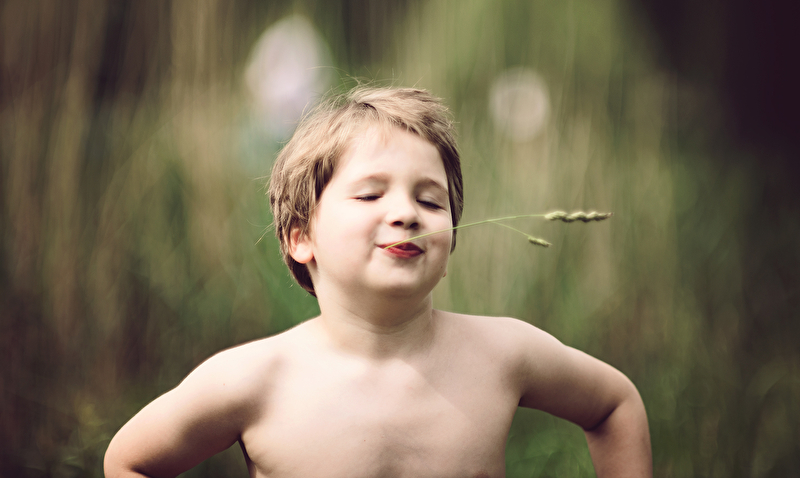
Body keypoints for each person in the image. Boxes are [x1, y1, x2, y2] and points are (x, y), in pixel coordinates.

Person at [104, 86, 652, 478]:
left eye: (430, 200)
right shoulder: (256, 380)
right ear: (301, 237)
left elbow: (615, 404)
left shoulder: (503, 354)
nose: (406, 213)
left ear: (450, 242)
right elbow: (128, 460)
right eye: (370, 194)